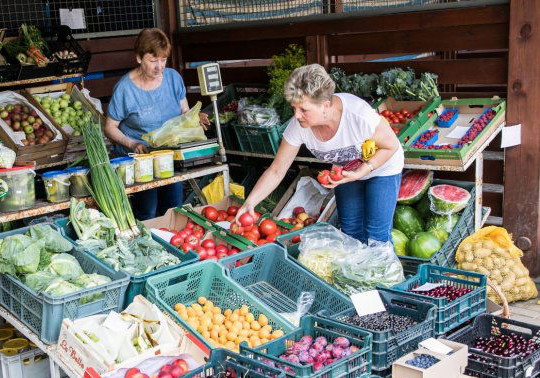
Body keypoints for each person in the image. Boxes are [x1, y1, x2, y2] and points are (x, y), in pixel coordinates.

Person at [235, 64, 404, 244]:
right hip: (346, 171)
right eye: (294, 108)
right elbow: (276, 170)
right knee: (350, 230)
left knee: (377, 235)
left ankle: (385, 271)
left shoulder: (358, 115)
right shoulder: (298, 126)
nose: (297, 115)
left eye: (303, 110)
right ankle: (356, 272)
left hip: (382, 168)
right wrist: (250, 203)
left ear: (326, 105)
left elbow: (391, 145)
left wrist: (363, 170)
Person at [104, 28, 210, 220]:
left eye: (163, 60)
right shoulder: (125, 89)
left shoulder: (172, 78)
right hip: (141, 160)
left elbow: (184, 114)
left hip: (170, 157)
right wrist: (132, 144)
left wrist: (196, 118)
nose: (159, 66)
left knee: (173, 208)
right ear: (138, 58)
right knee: (148, 212)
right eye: (153, 61)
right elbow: (110, 127)